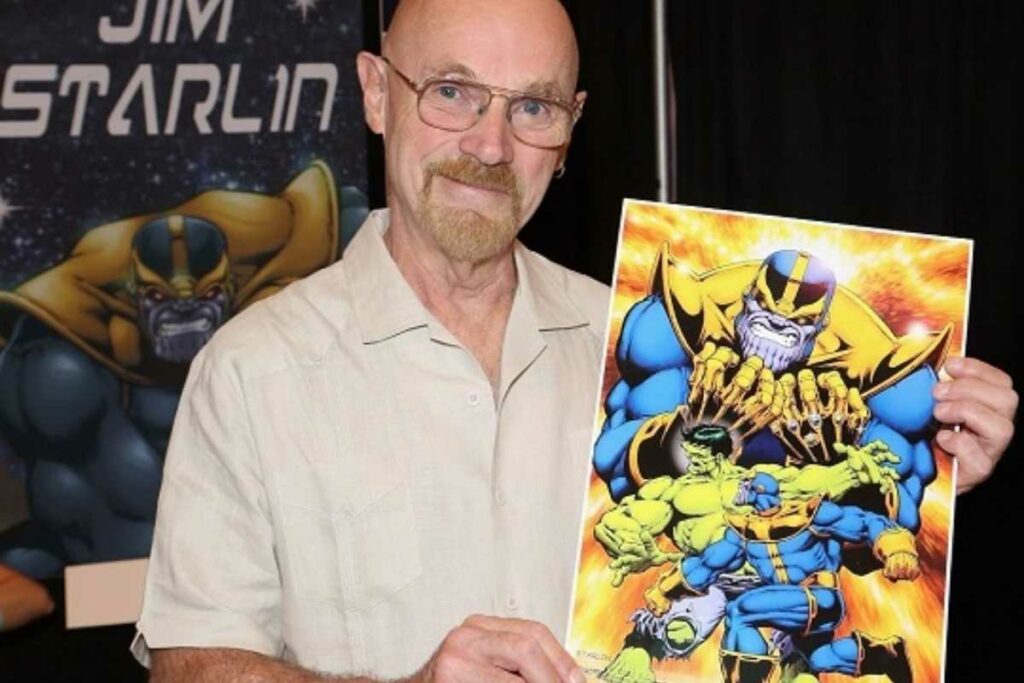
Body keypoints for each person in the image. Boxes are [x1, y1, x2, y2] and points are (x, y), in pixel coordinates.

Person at [132, 0, 1018, 681]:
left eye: (534, 107)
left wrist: (926, 472)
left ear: (569, 130)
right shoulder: (253, 373)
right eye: (451, 92)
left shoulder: (627, 341)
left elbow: (788, 515)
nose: (490, 145)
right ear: (374, 91)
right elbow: (189, 667)